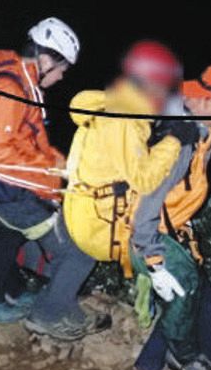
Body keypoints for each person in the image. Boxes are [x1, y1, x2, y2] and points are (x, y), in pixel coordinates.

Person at [0, 17, 110, 338]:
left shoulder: (23, 85)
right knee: (81, 250)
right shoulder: (10, 88)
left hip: (8, 191)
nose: (60, 77)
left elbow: (27, 145)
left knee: (20, 243)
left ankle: (41, 298)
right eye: (61, 68)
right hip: (10, 194)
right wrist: (50, 172)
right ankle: (47, 314)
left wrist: (62, 167)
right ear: (45, 58)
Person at [60, 41, 197, 336]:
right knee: (165, 253)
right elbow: (145, 179)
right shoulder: (124, 120)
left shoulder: (115, 105)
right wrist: (174, 141)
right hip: (100, 223)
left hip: (81, 209)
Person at [131, 64, 211, 370]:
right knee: (206, 304)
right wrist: (154, 262)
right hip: (148, 236)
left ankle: (148, 365)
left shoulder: (202, 128)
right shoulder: (179, 141)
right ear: (205, 99)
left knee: (186, 298)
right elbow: (146, 204)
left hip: (170, 229)